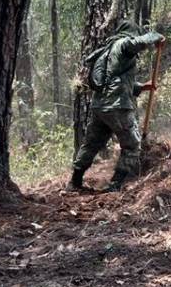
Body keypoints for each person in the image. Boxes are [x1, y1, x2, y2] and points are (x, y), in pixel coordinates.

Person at [69, 20, 165, 192]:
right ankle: (115, 185)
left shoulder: (108, 49)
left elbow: (114, 79)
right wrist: (156, 36)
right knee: (132, 145)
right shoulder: (123, 44)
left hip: (100, 106)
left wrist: (143, 86)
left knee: (91, 144)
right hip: (117, 106)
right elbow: (138, 43)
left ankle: (74, 182)